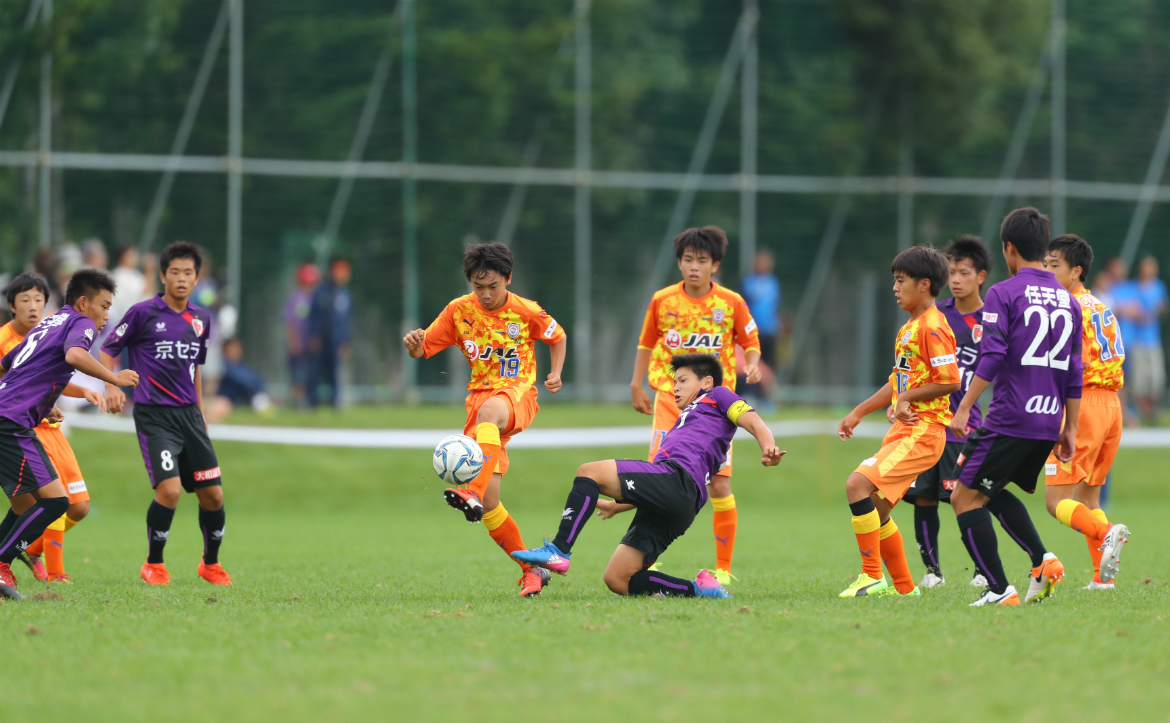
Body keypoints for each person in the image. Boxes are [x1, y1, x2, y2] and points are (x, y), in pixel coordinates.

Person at [512, 353, 785, 599]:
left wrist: (768, 446)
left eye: (683, 380)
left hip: (678, 480)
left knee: (588, 472)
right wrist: (616, 507)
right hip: (681, 502)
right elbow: (654, 488)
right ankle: (699, 588)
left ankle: (558, 550)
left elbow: (754, 420)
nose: (675, 387)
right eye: (674, 381)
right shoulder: (684, 421)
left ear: (706, 382)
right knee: (618, 579)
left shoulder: (719, 395)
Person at [402, 241, 566, 598]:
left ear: (508, 279)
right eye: (480, 287)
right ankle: (532, 570)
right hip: (480, 405)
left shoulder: (526, 310)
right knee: (491, 504)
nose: (487, 294)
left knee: (490, 414)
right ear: (470, 283)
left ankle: (470, 492)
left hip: (518, 394)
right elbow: (423, 348)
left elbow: (557, 335)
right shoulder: (458, 311)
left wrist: (555, 373)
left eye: (494, 286)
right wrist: (413, 344)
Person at [949, 207, 1083, 607]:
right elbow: (1075, 371)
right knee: (984, 488)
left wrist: (963, 408)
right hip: (1048, 421)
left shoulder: (1003, 292)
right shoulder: (1068, 300)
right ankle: (1043, 561)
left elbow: (991, 355)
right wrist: (1070, 427)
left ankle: (998, 588)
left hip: (1010, 416)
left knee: (962, 497)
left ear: (1008, 249)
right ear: (1043, 248)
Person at [625, 226, 761, 586]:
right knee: (657, 480)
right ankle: (646, 562)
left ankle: (724, 569)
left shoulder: (731, 302)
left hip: (716, 410)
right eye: (688, 260)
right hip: (670, 402)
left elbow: (750, 339)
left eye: (702, 260)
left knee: (719, 486)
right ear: (680, 263)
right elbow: (645, 343)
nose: (694, 267)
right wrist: (635, 383)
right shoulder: (663, 300)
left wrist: (754, 361)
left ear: (714, 265)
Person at [0, 268, 137, 599]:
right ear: (83, 302)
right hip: (12, 424)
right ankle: (2, 562)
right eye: (104, 306)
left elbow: (9, 364)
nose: (107, 315)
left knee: (28, 504)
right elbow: (74, 355)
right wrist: (114, 378)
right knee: (57, 501)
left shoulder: (50, 322)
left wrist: (42, 404)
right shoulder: (81, 323)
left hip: (10, 416)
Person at [100, 241, 231, 587]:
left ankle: (211, 564)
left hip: (190, 416)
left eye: (189, 273)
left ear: (198, 278)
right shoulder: (143, 313)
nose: (182, 279)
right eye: (175, 272)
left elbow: (195, 369)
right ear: (163, 276)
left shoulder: (201, 319)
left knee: (213, 495)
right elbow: (108, 349)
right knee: (169, 491)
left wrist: (201, 413)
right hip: (154, 416)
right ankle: (154, 565)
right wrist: (112, 386)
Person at [836, 246, 960, 598]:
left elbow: (950, 379)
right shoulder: (911, 326)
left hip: (923, 430)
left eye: (900, 280)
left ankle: (871, 576)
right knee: (877, 506)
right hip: (905, 429)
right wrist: (859, 411)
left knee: (856, 485)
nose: (894, 287)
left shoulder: (933, 326)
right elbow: (899, 379)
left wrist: (907, 399)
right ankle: (905, 589)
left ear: (923, 285)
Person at [1041, 235, 1130, 588]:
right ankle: (1102, 579)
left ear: (1076, 271)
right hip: (1111, 406)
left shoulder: (1066, 308)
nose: (1047, 272)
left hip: (1083, 403)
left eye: (1054, 266)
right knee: (1089, 494)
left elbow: (1059, 364)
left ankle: (1106, 533)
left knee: (1055, 500)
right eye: (1045, 264)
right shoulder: (1101, 305)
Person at [902, 236, 991, 589]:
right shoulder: (937, 316)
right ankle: (932, 571)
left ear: (980, 276)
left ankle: (983, 570)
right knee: (923, 496)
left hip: (965, 427)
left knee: (963, 497)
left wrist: (970, 409)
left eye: (964, 272)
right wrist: (902, 399)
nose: (956, 279)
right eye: (951, 272)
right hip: (928, 422)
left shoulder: (993, 319)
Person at [1117, 256, 1167, 424]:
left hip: (1153, 340)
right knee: (1138, 382)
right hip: (1136, 341)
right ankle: (1140, 414)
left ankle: (1148, 412)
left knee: (1156, 380)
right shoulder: (1132, 287)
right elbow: (1127, 307)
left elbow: (1161, 305)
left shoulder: (1158, 286)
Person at [307, 259, 353, 408]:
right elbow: (313, 315)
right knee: (315, 372)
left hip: (336, 340)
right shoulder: (321, 291)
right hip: (320, 339)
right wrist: (313, 335)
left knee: (334, 373)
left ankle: (334, 402)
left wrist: (346, 341)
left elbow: (346, 321)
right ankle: (312, 402)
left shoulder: (345, 294)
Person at [740, 247, 781, 406]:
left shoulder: (773, 283)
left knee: (769, 366)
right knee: (752, 364)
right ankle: (750, 395)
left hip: (770, 331)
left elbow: (775, 306)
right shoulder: (747, 282)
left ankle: (766, 399)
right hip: (752, 332)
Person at [207, 338, 270, 423]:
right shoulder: (223, 366)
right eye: (232, 348)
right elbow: (245, 382)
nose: (236, 351)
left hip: (243, 400)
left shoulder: (242, 366)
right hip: (224, 400)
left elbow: (257, 380)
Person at [284, 263, 319, 407]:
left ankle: (310, 402)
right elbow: (290, 322)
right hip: (299, 344)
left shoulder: (316, 299)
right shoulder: (296, 299)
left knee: (309, 375)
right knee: (297, 375)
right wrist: (293, 341)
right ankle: (297, 402)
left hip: (311, 345)